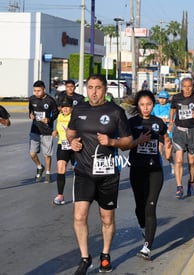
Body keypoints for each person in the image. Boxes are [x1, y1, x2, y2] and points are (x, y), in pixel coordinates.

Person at [66, 74, 133, 274]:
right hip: (84, 171)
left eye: (98, 88)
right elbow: (70, 132)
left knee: (107, 219)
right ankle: (85, 258)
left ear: (105, 90)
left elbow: (128, 141)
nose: (94, 92)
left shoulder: (116, 112)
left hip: (108, 174)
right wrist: (73, 143)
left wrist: (112, 142)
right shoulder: (79, 110)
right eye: (90, 88)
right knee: (79, 216)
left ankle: (105, 254)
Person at [126, 90, 170, 260]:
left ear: (154, 105)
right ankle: (144, 226)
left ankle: (147, 247)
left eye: (149, 105)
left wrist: (168, 146)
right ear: (138, 105)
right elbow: (125, 143)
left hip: (155, 171)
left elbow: (165, 136)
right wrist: (138, 142)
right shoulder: (131, 123)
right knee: (140, 208)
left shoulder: (158, 122)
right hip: (137, 169)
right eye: (142, 105)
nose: (146, 108)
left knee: (150, 207)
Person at [169, 77, 194, 198]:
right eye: (185, 86)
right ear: (181, 87)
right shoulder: (176, 97)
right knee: (178, 160)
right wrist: (171, 121)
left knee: (192, 161)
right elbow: (173, 108)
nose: (187, 89)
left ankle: (191, 181)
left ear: (192, 87)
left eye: (189, 86)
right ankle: (179, 186)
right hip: (179, 131)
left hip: (193, 131)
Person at [28, 80, 59, 183]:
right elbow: (31, 111)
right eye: (34, 91)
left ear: (44, 90)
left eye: (38, 90)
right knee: (32, 153)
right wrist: (31, 115)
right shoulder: (32, 99)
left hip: (47, 131)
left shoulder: (50, 100)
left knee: (47, 154)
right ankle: (39, 166)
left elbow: (56, 113)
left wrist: (49, 119)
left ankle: (48, 173)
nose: (36, 93)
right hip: (35, 130)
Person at [51, 97, 74, 205]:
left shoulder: (74, 117)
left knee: (77, 170)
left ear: (71, 108)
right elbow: (60, 129)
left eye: (67, 107)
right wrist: (55, 131)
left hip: (74, 146)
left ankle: (83, 192)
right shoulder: (59, 116)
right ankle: (60, 195)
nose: (65, 109)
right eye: (63, 107)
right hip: (62, 145)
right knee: (60, 167)